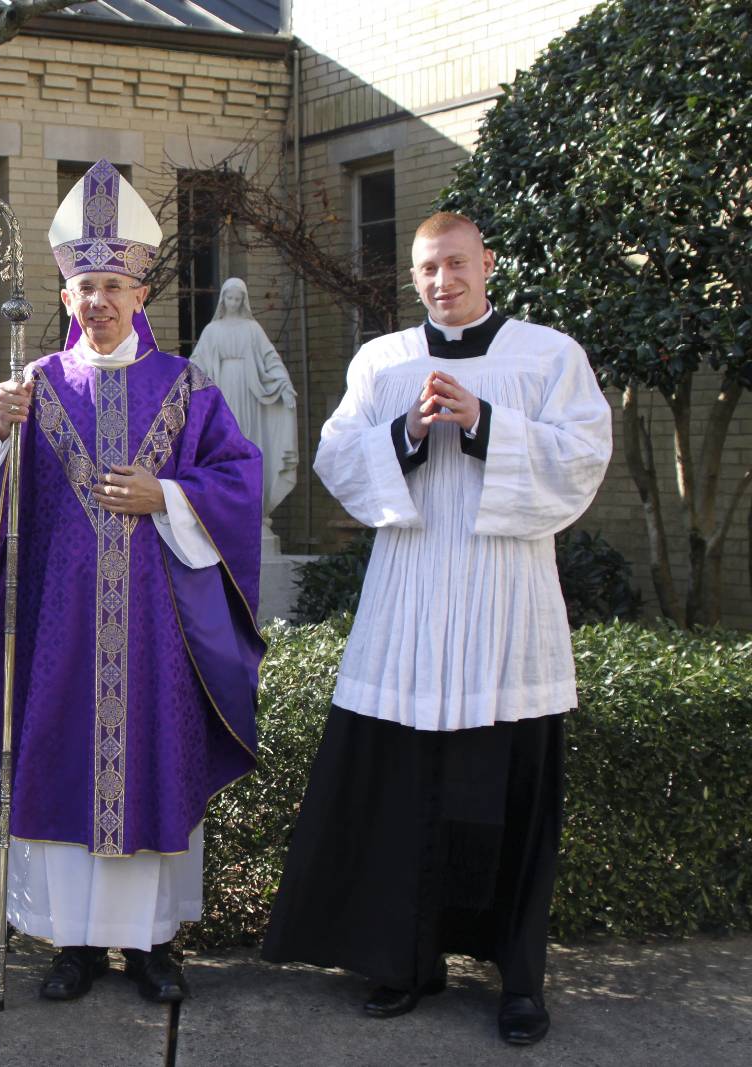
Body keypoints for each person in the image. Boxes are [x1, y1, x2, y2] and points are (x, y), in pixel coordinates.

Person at [261, 212, 612, 1047]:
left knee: (511, 800)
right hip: (409, 600)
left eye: (457, 263)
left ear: (487, 262)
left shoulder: (547, 355)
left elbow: (584, 459)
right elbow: (338, 458)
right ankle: (404, 960)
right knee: (402, 792)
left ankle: (520, 978)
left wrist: (487, 422)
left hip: (506, 603)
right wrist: (412, 430)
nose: (443, 280)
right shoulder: (383, 361)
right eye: (427, 268)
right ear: (413, 277)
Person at [0, 160, 265, 1004]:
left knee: (154, 765)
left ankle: (152, 945)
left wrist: (171, 494)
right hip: (60, 629)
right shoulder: (36, 385)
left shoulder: (188, 388)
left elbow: (240, 480)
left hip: (158, 632)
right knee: (60, 767)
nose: (99, 300)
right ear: (66, 294)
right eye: (86, 285)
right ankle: (73, 945)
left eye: (114, 284)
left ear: (141, 293)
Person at [189, 277, 297, 525]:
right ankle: (225, 503)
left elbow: (271, 359)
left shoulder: (252, 329)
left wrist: (284, 385)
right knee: (222, 443)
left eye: (238, 299)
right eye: (230, 298)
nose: (234, 303)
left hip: (249, 392)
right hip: (222, 389)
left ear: (243, 300)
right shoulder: (212, 330)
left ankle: (252, 505)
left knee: (249, 441)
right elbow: (197, 363)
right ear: (223, 300)